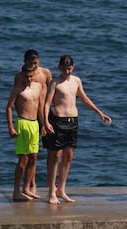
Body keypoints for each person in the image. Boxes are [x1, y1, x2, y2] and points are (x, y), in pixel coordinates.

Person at [44, 55, 112, 204]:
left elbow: (84, 99)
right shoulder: (55, 82)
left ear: (73, 67)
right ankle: (51, 191)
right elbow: (47, 103)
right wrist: (46, 122)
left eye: (69, 68)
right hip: (58, 121)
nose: (67, 71)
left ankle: (61, 189)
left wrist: (100, 113)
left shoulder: (76, 81)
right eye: (64, 69)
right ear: (59, 67)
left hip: (73, 121)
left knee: (69, 156)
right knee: (55, 157)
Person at [15, 50, 53, 199]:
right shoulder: (21, 76)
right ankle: (30, 184)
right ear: (24, 62)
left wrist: (46, 121)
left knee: (37, 154)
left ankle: (33, 184)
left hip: (43, 113)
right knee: (26, 155)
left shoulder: (45, 73)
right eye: (31, 64)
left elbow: (51, 92)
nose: (34, 66)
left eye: (36, 63)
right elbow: (18, 99)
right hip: (27, 117)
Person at [6, 64, 44, 201]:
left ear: (34, 74)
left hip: (35, 124)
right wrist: (11, 127)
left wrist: (44, 124)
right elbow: (9, 107)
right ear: (22, 75)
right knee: (23, 159)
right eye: (26, 77)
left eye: (31, 76)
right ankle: (16, 191)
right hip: (23, 123)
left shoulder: (38, 87)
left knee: (34, 157)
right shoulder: (17, 89)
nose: (28, 79)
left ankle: (26, 188)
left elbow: (39, 107)